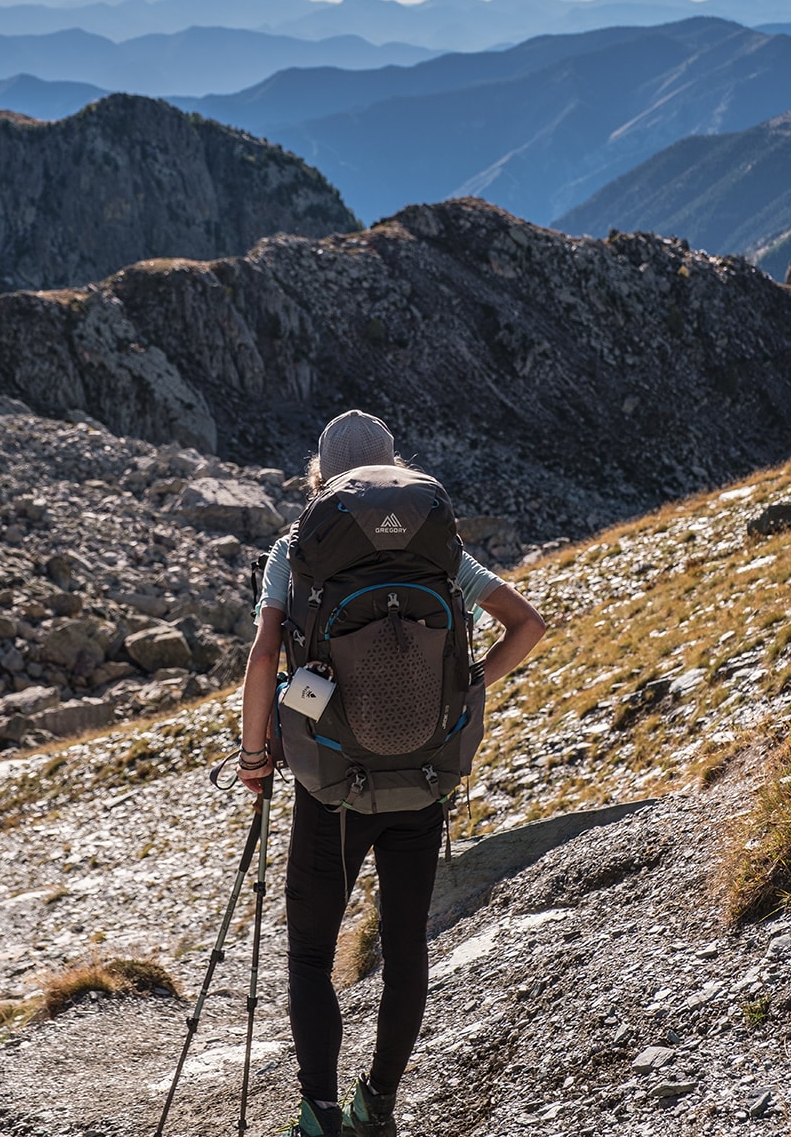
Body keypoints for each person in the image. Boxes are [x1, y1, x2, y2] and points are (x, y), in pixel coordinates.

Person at [237, 411, 546, 1137]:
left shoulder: (296, 547)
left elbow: (260, 659)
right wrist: (469, 687)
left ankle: (319, 1120)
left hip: (331, 783)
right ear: (393, 471)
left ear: (321, 480)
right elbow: (527, 625)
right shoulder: (440, 551)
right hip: (424, 771)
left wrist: (255, 758)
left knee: (312, 951)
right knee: (405, 944)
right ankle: (377, 1104)